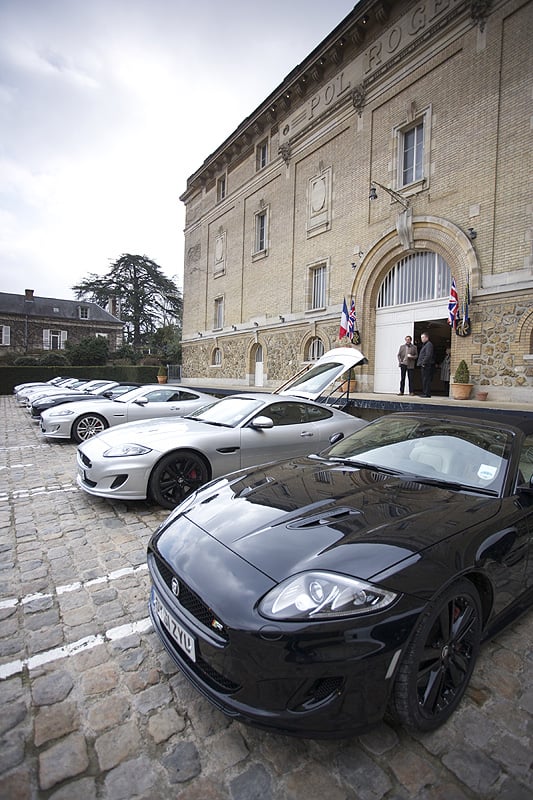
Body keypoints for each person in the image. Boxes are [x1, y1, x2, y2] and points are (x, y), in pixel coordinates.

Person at [417, 332, 435, 397]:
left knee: (426, 379)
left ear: (427, 337)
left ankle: (427, 393)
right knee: (424, 379)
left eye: (423, 337)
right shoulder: (425, 345)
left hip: (426, 365)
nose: (421, 339)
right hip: (425, 365)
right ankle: (425, 392)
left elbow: (428, 355)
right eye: (421, 337)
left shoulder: (429, 345)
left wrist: (423, 363)